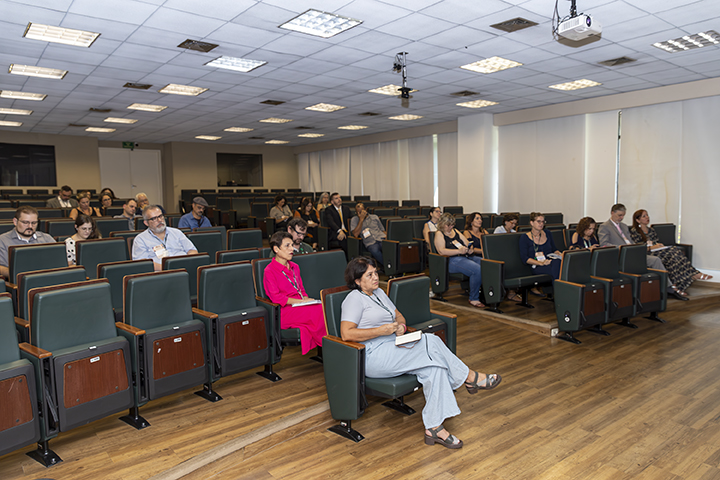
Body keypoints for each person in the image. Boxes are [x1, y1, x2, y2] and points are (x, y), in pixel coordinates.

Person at [340, 257, 501, 449]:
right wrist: (380, 331)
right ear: (357, 281)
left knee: (434, 368)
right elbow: (346, 333)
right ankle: (469, 377)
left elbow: (398, 315)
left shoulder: (379, 293)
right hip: (373, 355)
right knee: (431, 341)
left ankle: (434, 428)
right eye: (370, 275)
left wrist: (400, 326)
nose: (376, 277)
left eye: (376, 272)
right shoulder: (354, 299)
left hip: (393, 345)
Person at [263, 231, 325, 355]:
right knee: (318, 310)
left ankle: (327, 346)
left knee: (322, 307)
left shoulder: (295, 266)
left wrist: (306, 300)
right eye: (287, 246)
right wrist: (302, 302)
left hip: (299, 305)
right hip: (284, 310)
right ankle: (328, 347)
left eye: (292, 245)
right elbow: (276, 298)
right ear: (276, 249)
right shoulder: (269, 271)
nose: (292, 249)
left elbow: (301, 290)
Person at [630, 209, 712, 296]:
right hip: (647, 253)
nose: (647, 217)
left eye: (647, 215)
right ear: (638, 220)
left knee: (674, 253)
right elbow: (639, 247)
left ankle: (676, 286)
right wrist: (652, 247)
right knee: (672, 254)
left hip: (656, 251)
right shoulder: (634, 231)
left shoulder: (651, 230)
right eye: (644, 216)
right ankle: (693, 274)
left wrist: (658, 245)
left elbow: (655, 242)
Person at [597, 203, 674, 295]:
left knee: (656, 260)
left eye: (623, 215)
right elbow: (604, 244)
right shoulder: (604, 227)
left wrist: (638, 247)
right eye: (619, 215)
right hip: (621, 255)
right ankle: (668, 289)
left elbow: (630, 242)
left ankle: (667, 287)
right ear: (612, 213)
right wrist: (621, 247)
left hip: (633, 252)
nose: (621, 218)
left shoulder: (624, 226)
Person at [434, 213, 484, 308]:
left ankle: (486, 293)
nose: (450, 227)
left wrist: (470, 249)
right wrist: (458, 251)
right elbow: (441, 251)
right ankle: (474, 298)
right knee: (477, 270)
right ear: (442, 224)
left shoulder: (456, 231)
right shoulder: (439, 234)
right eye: (448, 225)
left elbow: (467, 243)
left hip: (464, 256)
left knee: (486, 263)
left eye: (452, 225)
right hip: (452, 260)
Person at [132, 205, 198, 271]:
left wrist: (186, 264)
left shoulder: (177, 233)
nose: (159, 220)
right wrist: (168, 269)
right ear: (146, 223)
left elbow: (192, 250)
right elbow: (142, 263)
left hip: (184, 271)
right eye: (154, 218)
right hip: (161, 275)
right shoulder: (140, 240)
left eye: (160, 216)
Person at [0, 206, 56, 279]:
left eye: (34, 223)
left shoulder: (47, 238)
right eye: (25, 222)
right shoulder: (2, 241)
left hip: (47, 278)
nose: (30, 226)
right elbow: (1, 267)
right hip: (20, 283)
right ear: (15, 222)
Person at [519, 212, 561, 296]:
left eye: (543, 221)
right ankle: (559, 295)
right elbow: (525, 259)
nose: (541, 224)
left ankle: (558, 294)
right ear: (531, 223)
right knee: (557, 267)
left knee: (558, 263)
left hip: (550, 262)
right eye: (538, 221)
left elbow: (554, 249)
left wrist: (560, 254)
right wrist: (541, 263)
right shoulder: (525, 238)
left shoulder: (547, 233)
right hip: (537, 265)